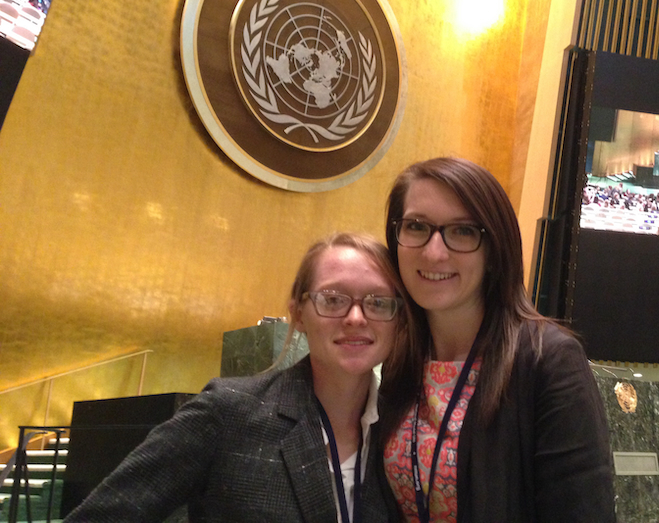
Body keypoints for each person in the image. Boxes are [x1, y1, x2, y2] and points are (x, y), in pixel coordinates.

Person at [64, 232, 408, 523]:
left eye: (378, 302)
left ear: (398, 319)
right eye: (332, 300)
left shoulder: (405, 430)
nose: (355, 317)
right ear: (298, 314)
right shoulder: (228, 411)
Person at [380, 157, 615, 522]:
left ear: (494, 251)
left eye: (462, 231)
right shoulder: (397, 359)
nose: (433, 251)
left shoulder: (548, 362)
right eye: (416, 226)